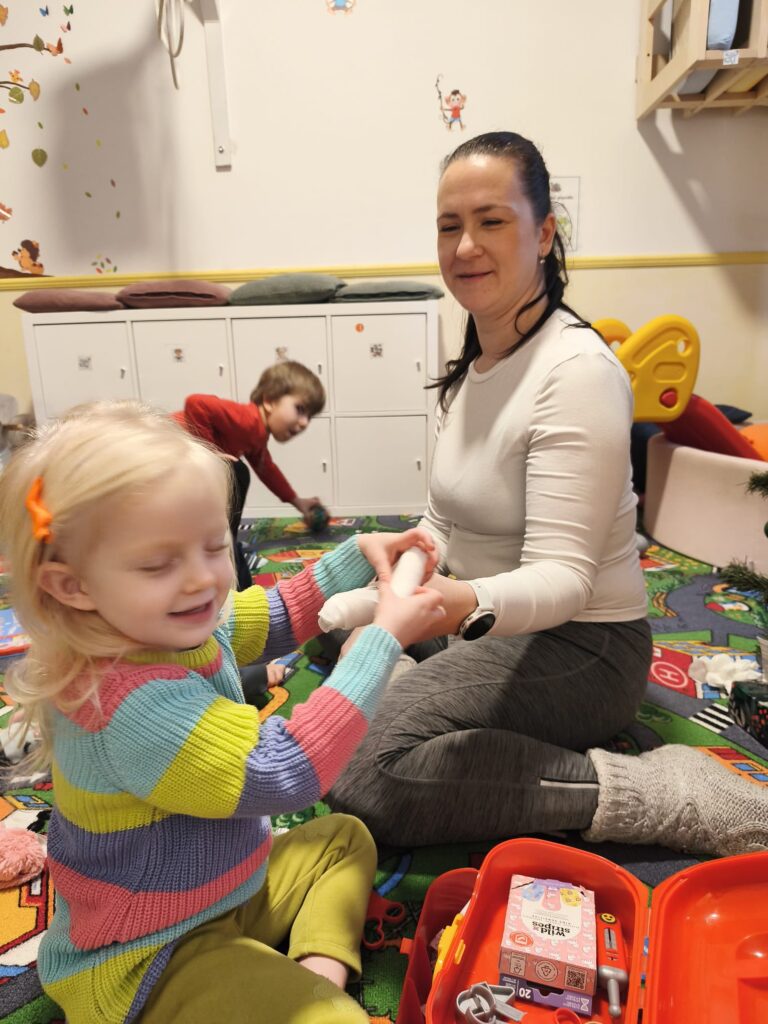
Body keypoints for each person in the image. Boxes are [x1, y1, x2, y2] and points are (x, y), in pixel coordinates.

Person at [326, 131, 768, 859]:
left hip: (583, 645)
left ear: (543, 234)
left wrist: (440, 610)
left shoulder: (576, 371)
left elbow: (564, 580)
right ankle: (418, 695)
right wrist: (390, 601)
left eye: (492, 221)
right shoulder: (472, 370)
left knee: (362, 771)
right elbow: (440, 522)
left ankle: (663, 792)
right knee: (340, 631)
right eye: (449, 225)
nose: (466, 245)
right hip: (485, 620)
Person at [0, 400, 444, 1024]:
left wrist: (356, 555)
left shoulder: (167, 623)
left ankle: (317, 972)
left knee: (343, 839)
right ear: (72, 586)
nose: (202, 581)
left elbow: (273, 615)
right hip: (149, 955)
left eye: (214, 547)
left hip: (230, 888)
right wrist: (382, 641)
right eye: (158, 564)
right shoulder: (127, 706)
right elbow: (287, 769)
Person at [173, 360, 327, 591]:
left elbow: (267, 470)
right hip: (168, 451)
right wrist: (209, 453)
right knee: (237, 473)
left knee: (236, 473)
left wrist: (298, 502)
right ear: (269, 401)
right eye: (300, 409)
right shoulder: (247, 418)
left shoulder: (257, 434)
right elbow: (196, 403)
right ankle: (225, 546)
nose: (305, 422)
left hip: (183, 464)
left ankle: (225, 546)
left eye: (310, 416)